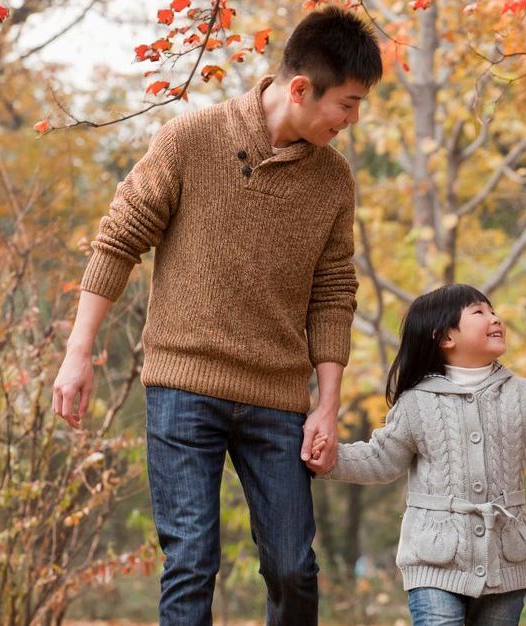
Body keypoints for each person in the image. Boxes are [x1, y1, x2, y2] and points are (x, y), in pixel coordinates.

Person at [50, 8, 383, 625]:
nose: (353, 119)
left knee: (292, 566)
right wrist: (79, 352)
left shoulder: (334, 180)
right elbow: (120, 238)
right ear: (301, 89)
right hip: (183, 385)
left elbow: (334, 292)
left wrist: (327, 405)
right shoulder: (190, 139)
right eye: (348, 103)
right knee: (191, 563)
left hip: (278, 395)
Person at [315, 284, 526, 625]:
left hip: (505, 565)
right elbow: (379, 459)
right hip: (433, 564)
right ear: (445, 337)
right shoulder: (417, 402)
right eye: (479, 312)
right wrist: (328, 458)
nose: (495, 319)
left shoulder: (520, 394)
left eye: (493, 311)